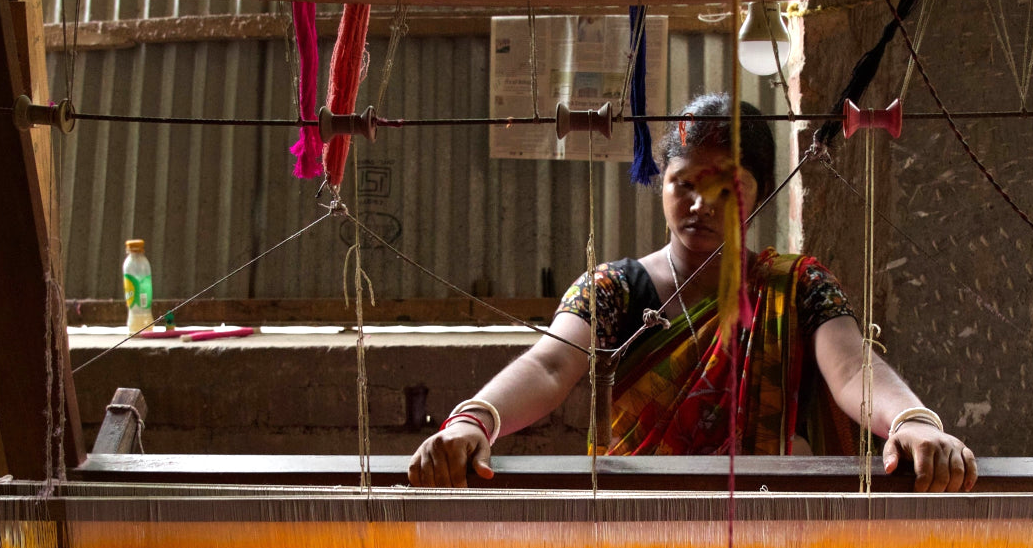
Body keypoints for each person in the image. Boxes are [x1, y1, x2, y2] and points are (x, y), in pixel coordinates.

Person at [409, 93, 977, 492]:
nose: (701, 206)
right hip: (636, 532)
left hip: (766, 528)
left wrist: (913, 422)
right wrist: (474, 421)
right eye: (684, 184)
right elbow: (552, 364)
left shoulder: (798, 287)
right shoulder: (611, 291)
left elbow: (852, 367)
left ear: (757, 196)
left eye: (725, 188)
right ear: (662, 185)